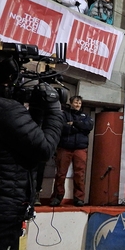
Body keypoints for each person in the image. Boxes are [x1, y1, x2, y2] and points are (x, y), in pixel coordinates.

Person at [0, 55, 63, 249]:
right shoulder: (7, 110)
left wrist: (36, 110)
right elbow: (43, 149)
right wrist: (54, 110)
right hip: (5, 209)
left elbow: (27, 139)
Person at [50, 96, 94, 207]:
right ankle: (57, 197)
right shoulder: (64, 114)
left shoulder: (86, 116)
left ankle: (79, 198)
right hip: (65, 147)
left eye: (79, 102)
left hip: (80, 148)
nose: (78, 104)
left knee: (79, 174)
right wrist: (79, 127)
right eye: (76, 102)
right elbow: (62, 128)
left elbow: (88, 127)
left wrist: (74, 123)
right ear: (71, 103)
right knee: (61, 174)